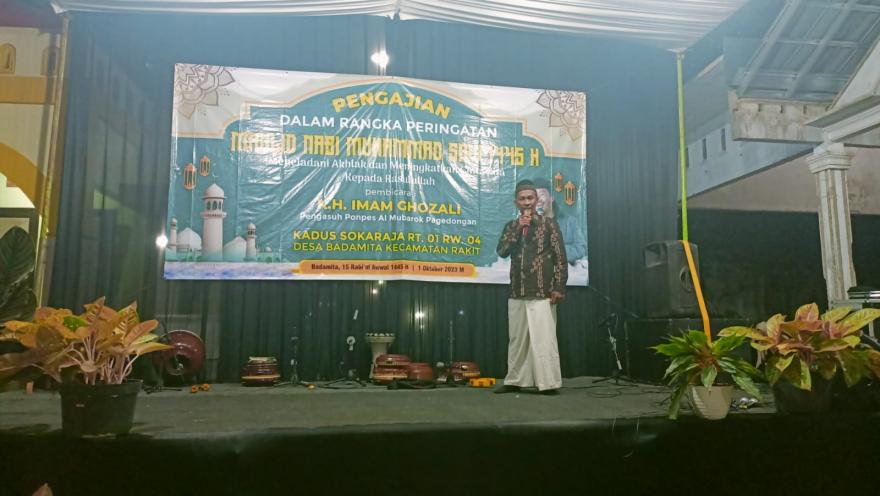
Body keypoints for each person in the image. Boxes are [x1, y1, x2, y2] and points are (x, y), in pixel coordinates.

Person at [494, 179, 567, 395]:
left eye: (530, 198)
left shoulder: (549, 224)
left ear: (536, 200)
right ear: (516, 202)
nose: (527, 202)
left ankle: (548, 383)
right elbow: (502, 251)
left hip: (543, 291)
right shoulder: (511, 226)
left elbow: (560, 258)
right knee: (517, 339)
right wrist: (519, 227)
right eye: (522, 199)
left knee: (544, 339)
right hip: (517, 291)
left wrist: (559, 287)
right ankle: (514, 380)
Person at [534, 178, 586, 264]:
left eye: (542, 195)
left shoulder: (570, 222)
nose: (538, 200)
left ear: (551, 198)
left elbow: (581, 248)